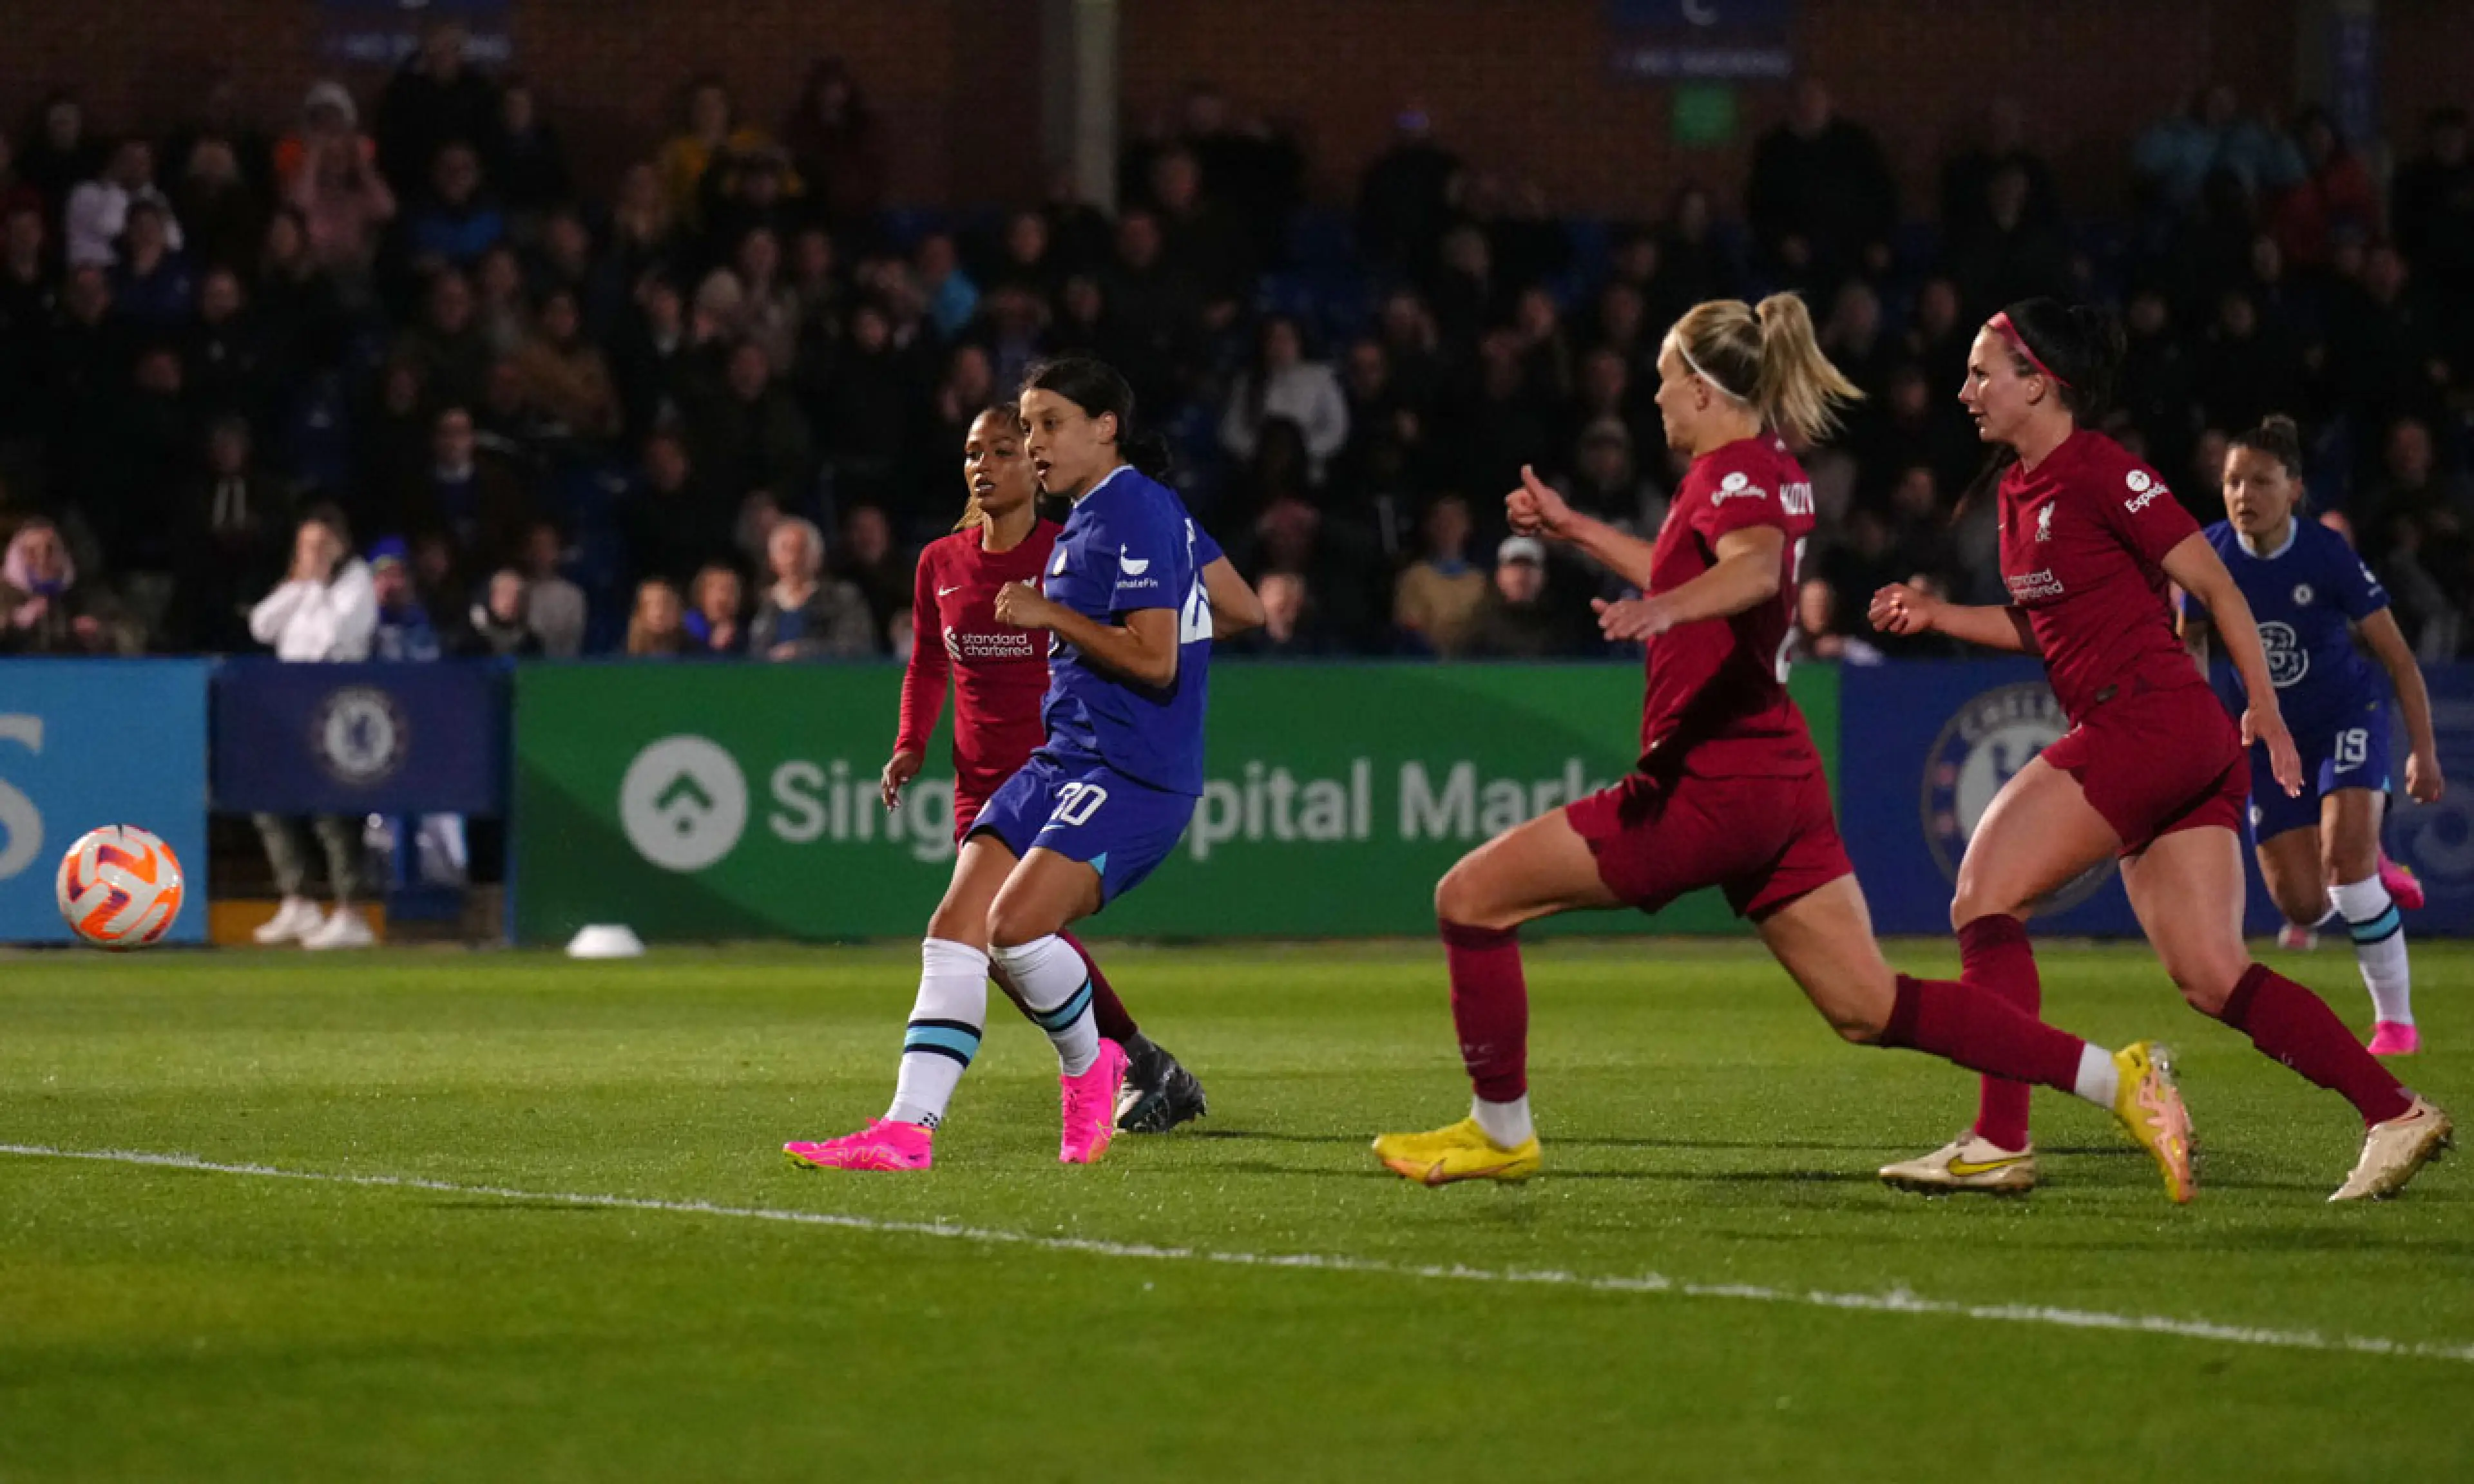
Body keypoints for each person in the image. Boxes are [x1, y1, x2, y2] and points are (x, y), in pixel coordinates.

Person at [1373, 296, 2200, 1203]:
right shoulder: (1757, 465)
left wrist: (1664, 612)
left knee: (1470, 899)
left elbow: (1752, 569)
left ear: (1701, 390)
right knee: (1868, 1006)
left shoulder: (1736, 473)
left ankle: (1500, 1131)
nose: (1656, 399)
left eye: (1664, 381)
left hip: (1710, 781)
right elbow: (1701, 566)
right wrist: (1576, 532)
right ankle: (2117, 1080)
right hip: (1775, 775)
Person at [1867, 300, 2450, 1201]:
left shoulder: (2105, 470)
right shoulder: (2020, 491)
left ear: (2040, 384)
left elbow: (2217, 586)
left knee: (1983, 896)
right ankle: (2394, 1110)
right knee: (2214, 977)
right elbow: (2046, 624)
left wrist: (2266, 709)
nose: (1965, 390)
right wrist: (1939, 614)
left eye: (1983, 373)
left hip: (2147, 723)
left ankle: (2000, 1139)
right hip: (2168, 738)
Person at [787, 359, 1256, 1172]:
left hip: (1122, 767)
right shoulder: (1093, 518)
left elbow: (1156, 662)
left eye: (1047, 426)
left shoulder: (1133, 509)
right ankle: (906, 1130)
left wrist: (1057, 618)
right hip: (1057, 760)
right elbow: (1240, 608)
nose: (1033, 444)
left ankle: (1101, 1064)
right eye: (1025, 429)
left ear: (1105, 427)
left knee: (1014, 929)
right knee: (954, 932)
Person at [2181, 415, 2444, 1056]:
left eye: (2261, 482)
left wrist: (2424, 753)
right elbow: (2189, 649)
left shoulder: (2326, 555)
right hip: (2267, 741)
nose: (2244, 495)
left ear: (2294, 489)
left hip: (2343, 719)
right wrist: (2199, 738)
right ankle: (2371, 859)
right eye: (2233, 482)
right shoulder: (2207, 556)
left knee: (2348, 874)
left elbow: (2399, 658)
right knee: (2302, 906)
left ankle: (2396, 1025)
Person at [247, 506, 379, 951]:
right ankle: (298, 899)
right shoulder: (301, 586)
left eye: (321, 545)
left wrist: (319, 585)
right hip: (292, 704)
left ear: (341, 546)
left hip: (336, 702)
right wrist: (302, 585)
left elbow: (334, 637)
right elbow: (262, 626)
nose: (312, 554)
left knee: (333, 810)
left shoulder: (356, 582)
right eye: (305, 546)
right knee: (269, 800)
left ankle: (351, 912)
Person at [748, 517, 875, 660]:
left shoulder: (843, 597)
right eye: (786, 549)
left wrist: (800, 652)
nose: (793, 559)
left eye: (801, 550)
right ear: (772, 558)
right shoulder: (761, 603)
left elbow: (856, 646)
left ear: (818, 557)